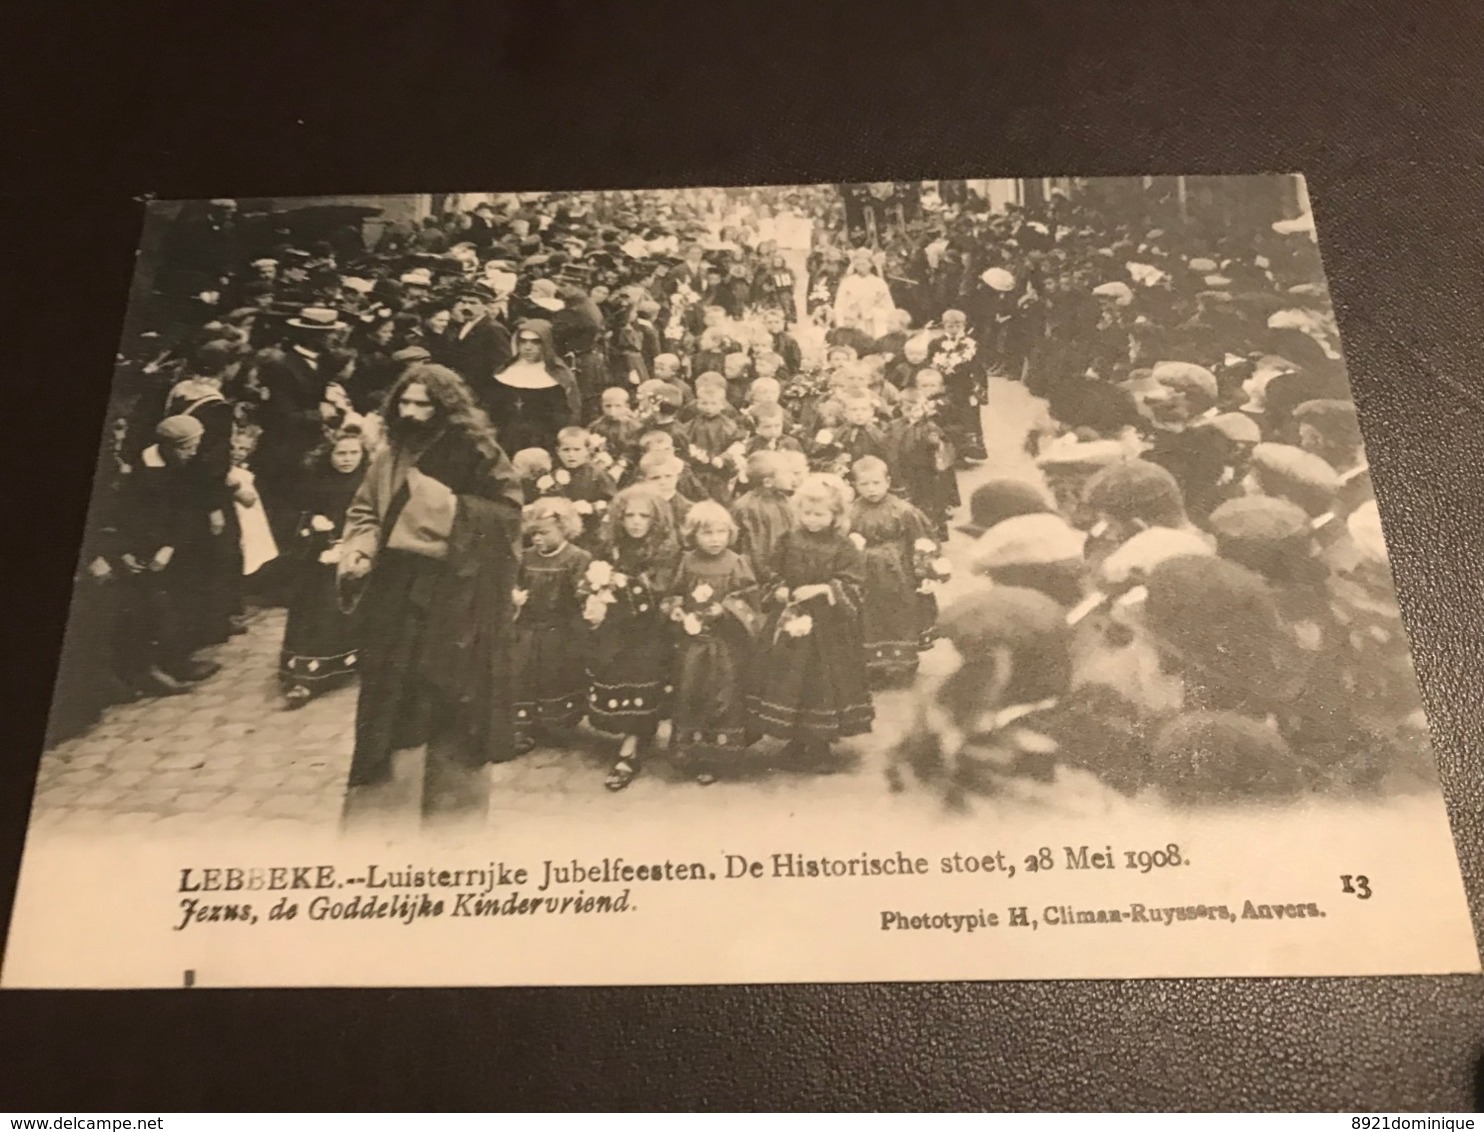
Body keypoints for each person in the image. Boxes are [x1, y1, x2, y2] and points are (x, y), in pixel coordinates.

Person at [337, 364, 523, 821]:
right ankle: (385, 806)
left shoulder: (477, 450)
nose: (413, 413)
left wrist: (449, 509)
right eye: (405, 402)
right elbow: (364, 509)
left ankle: (453, 808)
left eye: (425, 404)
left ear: (448, 407)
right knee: (392, 692)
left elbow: (508, 512)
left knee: (451, 698)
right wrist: (360, 546)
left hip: (456, 594)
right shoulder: (389, 453)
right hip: (395, 592)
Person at [749, 473, 874, 761]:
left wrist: (823, 588)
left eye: (820, 514)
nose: (812, 519)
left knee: (820, 682)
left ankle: (819, 742)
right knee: (790, 679)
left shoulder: (844, 547)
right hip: (790, 619)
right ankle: (793, 737)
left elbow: (854, 583)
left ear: (835, 515)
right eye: (806, 513)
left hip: (827, 628)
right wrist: (778, 589)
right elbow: (770, 571)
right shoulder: (788, 540)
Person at [586, 486, 682, 790]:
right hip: (618, 626)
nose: (636, 522)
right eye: (629, 515)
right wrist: (595, 589)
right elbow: (592, 575)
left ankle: (631, 748)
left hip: (651, 627)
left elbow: (659, 588)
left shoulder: (666, 549)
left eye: (644, 516)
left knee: (644, 679)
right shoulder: (612, 546)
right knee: (616, 675)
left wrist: (620, 583)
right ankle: (633, 732)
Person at [667, 501, 759, 781]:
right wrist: (676, 607)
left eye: (721, 532)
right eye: (707, 533)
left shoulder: (736, 562)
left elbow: (750, 596)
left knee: (722, 696)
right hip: (693, 643)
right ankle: (693, 753)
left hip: (725, 644)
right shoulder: (687, 561)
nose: (715, 539)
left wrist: (727, 608)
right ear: (693, 534)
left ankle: (719, 756)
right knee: (691, 692)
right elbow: (676, 591)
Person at [279, 431, 367, 707]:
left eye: (354, 453)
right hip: (322, 556)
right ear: (329, 455)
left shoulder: (368, 481)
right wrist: (312, 520)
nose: (347, 459)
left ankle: (359, 662)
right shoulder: (316, 481)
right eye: (341, 453)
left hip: (360, 552)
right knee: (318, 608)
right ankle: (306, 678)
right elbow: (296, 512)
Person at [511, 496, 592, 755]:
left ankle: (557, 724)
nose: (537, 539)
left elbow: (583, 592)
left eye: (544, 533)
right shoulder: (525, 558)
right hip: (529, 626)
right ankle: (524, 726)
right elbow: (515, 584)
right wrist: (515, 595)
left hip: (561, 629)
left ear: (564, 529)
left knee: (556, 676)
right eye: (533, 533)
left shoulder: (577, 558)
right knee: (525, 674)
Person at [849, 456, 938, 684]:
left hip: (898, 572)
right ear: (855, 485)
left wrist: (926, 572)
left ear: (887, 481)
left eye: (876, 483)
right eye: (864, 484)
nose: (871, 489)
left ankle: (903, 664)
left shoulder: (903, 510)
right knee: (870, 616)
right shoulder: (851, 512)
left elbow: (921, 540)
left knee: (900, 614)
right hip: (865, 575)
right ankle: (874, 666)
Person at [486, 319, 581, 455]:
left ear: (546, 344)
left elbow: (569, 415)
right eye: (523, 342)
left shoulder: (560, 375)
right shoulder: (504, 371)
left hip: (543, 444)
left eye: (535, 342)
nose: (527, 347)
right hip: (506, 442)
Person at [441, 285, 513, 410]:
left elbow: (502, 365)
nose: (466, 307)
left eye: (473, 303)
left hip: (482, 394)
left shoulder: (493, 329)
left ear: (486, 307)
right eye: (463, 302)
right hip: (464, 390)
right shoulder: (465, 325)